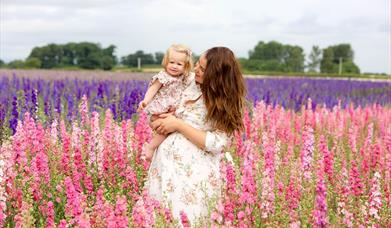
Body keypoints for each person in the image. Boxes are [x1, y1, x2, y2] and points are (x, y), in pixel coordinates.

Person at [145, 47, 246, 224]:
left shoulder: (225, 102)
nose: (195, 71)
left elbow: (218, 143)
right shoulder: (189, 81)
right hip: (164, 168)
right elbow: (161, 101)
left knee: (189, 220)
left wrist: (178, 125)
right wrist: (157, 118)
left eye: (202, 69)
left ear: (217, 75)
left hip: (193, 178)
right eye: (197, 65)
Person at [137, 44, 193, 161]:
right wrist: (145, 102)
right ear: (166, 62)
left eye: (179, 64)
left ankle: (159, 152)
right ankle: (151, 147)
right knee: (166, 130)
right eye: (171, 62)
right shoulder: (163, 76)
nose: (174, 66)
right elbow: (152, 89)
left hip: (172, 110)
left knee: (171, 131)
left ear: (185, 66)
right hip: (160, 109)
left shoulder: (183, 77)